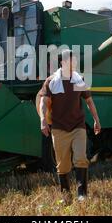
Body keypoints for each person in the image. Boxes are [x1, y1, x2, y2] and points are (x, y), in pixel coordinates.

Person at [39, 49, 101, 203]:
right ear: (63, 62)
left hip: (78, 126)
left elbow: (89, 102)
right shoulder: (51, 81)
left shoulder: (79, 80)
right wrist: (42, 119)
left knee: (81, 158)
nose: (76, 63)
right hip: (59, 128)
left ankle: (82, 194)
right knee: (63, 164)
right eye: (73, 60)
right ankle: (66, 195)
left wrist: (96, 120)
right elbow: (43, 102)